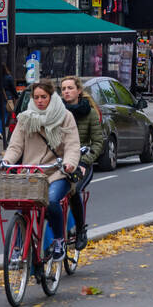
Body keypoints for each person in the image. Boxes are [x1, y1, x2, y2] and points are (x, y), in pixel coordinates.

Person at [1, 80, 81, 261]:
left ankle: (59, 240)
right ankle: (18, 245)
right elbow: (15, 146)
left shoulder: (65, 116)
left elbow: (72, 145)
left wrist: (69, 163)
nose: (39, 101)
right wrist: (6, 160)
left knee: (52, 201)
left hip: (56, 171)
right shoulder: (25, 118)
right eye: (36, 97)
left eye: (43, 97)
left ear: (51, 97)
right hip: (31, 173)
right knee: (22, 206)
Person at [59, 76, 104, 249]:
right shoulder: (57, 113)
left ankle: (80, 230)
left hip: (82, 162)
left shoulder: (90, 113)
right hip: (60, 161)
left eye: (70, 88)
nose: (66, 92)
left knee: (73, 190)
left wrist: (85, 163)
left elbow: (98, 143)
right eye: (63, 89)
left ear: (78, 91)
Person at [0, 63, 16, 141]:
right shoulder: (9, 78)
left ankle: (0, 131)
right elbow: (13, 89)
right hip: (6, 98)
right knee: (4, 116)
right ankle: (1, 131)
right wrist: (16, 96)